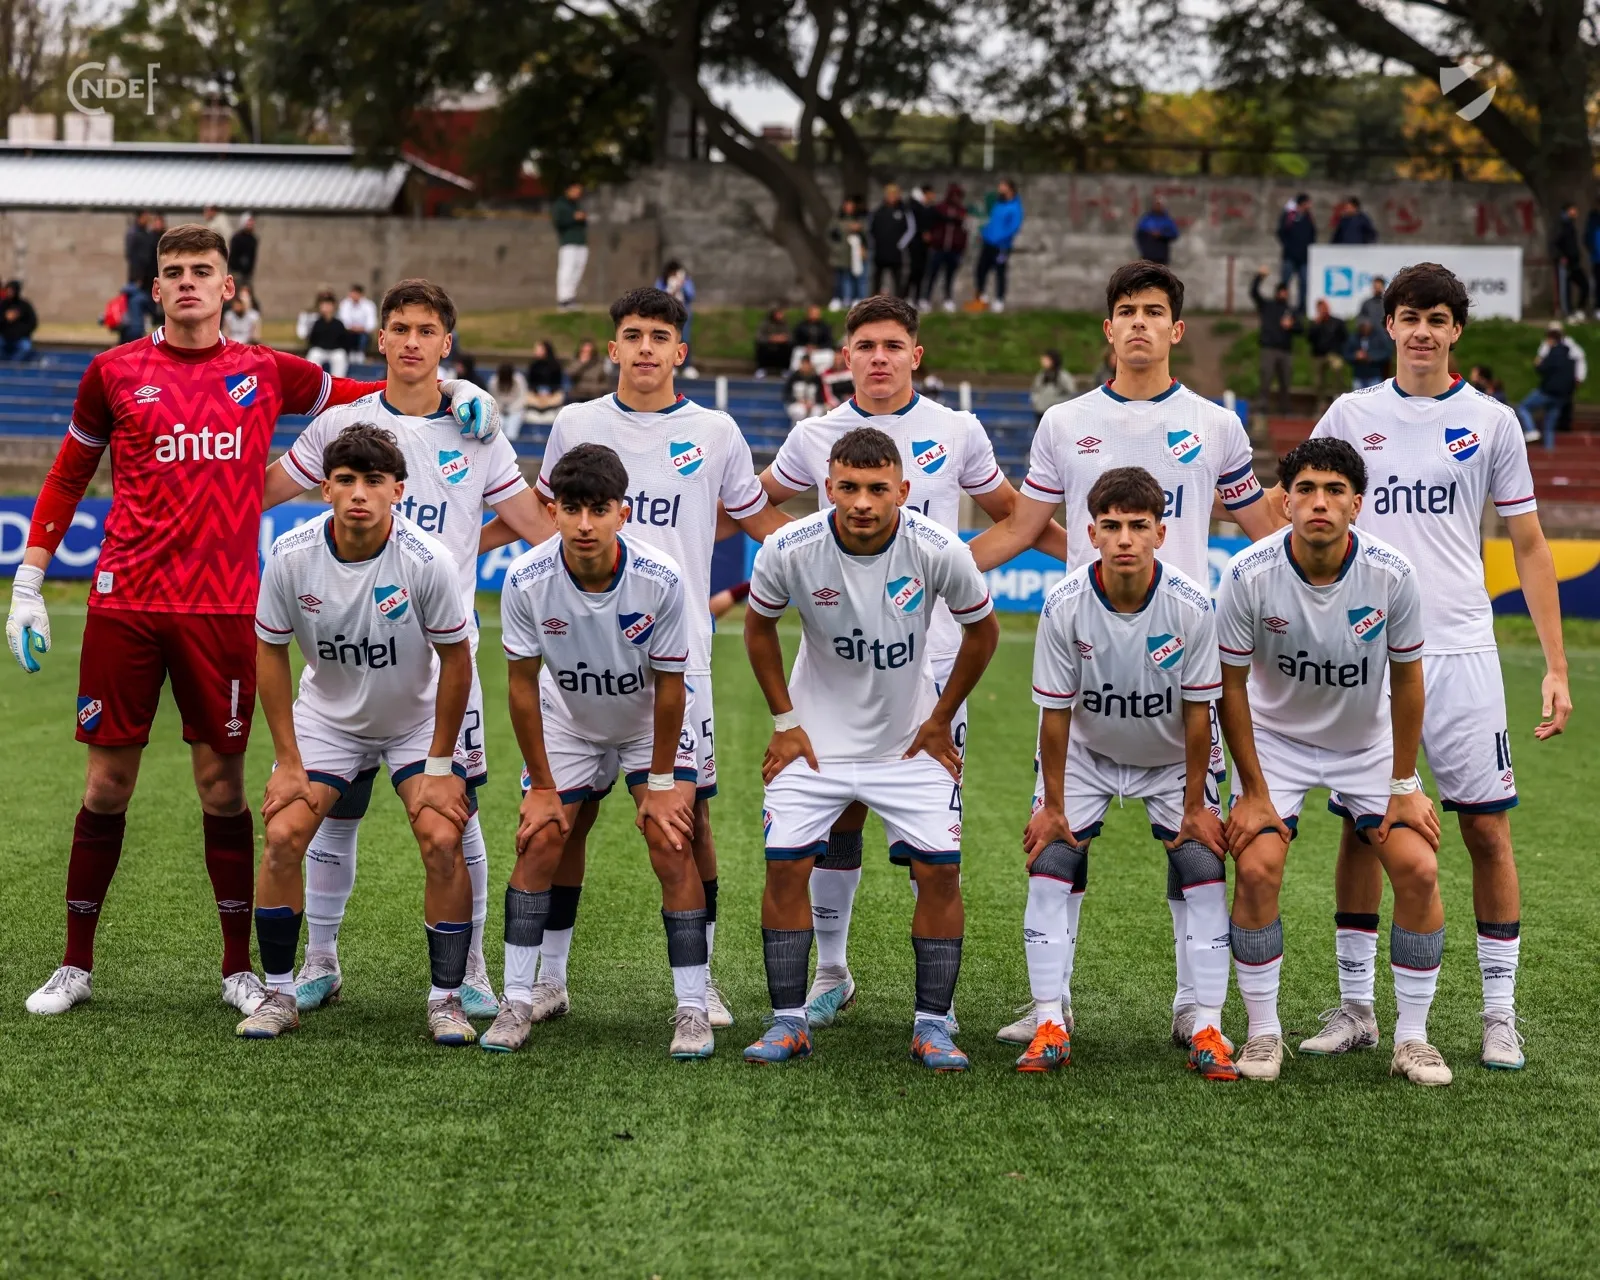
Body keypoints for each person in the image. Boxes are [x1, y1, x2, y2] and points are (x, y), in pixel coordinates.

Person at [10, 223, 498, 1019]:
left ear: (228, 287)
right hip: (126, 602)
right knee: (106, 785)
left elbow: (372, 392)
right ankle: (74, 964)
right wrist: (30, 582)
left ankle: (241, 968)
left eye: (203, 270)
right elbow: (68, 474)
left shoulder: (267, 371)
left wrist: (455, 391)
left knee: (222, 787)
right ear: (156, 288)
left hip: (224, 608)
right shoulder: (112, 372)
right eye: (174, 271)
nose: (188, 282)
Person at [969, 259, 1282, 1049]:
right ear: (1108, 329)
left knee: (1193, 846)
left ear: (1176, 329)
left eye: (1154, 311)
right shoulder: (1063, 422)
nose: (1140, 322)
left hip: (1183, 662)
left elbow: (1263, 530)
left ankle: (1193, 1004)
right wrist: (939, 568)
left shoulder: (1216, 425)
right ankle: (1052, 1005)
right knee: (1059, 842)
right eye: (1127, 311)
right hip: (1086, 659)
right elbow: (1020, 528)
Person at [476, 287, 790, 1030]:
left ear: (680, 351)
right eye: (633, 334)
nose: (646, 347)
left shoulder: (714, 430)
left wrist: (835, 554)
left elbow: (756, 519)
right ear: (613, 347)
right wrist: (461, 548)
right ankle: (549, 980)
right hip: (579, 654)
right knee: (568, 822)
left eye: (659, 336)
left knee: (688, 823)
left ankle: (701, 983)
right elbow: (543, 510)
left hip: (676, 659)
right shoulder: (577, 423)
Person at [758, 293, 1067, 1029]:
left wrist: (969, 567)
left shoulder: (957, 430)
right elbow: (748, 503)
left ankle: (935, 1009)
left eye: (892, 345)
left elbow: (1014, 514)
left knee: (930, 838)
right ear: (846, 356)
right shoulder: (814, 435)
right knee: (838, 820)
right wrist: (801, 560)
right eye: (865, 345)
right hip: (841, 655)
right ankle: (831, 972)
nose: (879, 358)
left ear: (915, 355)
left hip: (934, 661)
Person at [262, 280, 549, 1020]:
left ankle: (470, 968)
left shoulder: (477, 429)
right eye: (400, 328)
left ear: (446, 343)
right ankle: (319, 961)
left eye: (427, 330)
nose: (412, 341)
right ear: (380, 338)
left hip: (438, 665)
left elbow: (534, 524)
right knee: (332, 816)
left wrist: (466, 545)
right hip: (343, 663)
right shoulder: (343, 424)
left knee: (456, 818)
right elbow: (262, 492)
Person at [1308, 261, 1571, 1071]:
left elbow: (1529, 545)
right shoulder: (1351, 414)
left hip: (1461, 650)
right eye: (1409, 317)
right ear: (1388, 325)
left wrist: (1555, 666)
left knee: (1486, 828)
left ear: (1457, 329)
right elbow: (1308, 514)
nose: (1422, 331)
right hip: (1366, 653)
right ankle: (1357, 1009)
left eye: (1437, 319)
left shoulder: (1491, 422)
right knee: (1363, 828)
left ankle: (1499, 1014)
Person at [741, 427, 1000, 1069]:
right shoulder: (789, 547)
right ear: (828, 487)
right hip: (815, 744)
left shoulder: (938, 548)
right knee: (785, 867)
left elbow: (983, 632)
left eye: (877, 489)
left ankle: (933, 1025)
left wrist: (940, 719)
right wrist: (784, 721)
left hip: (907, 745)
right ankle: (788, 1020)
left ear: (903, 491)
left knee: (940, 872)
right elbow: (758, 625)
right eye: (849, 487)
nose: (862, 502)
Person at [1215, 436, 1447, 1085]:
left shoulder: (1392, 574)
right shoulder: (1247, 573)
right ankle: (1263, 1033)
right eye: (1307, 490)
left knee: (1419, 869)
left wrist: (1404, 782)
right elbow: (1230, 687)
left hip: (1366, 745)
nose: (1320, 502)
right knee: (1256, 868)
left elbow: (1408, 680)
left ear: (1356, 504)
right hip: (1276, 744)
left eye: (1335, 491)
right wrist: (1253, 791)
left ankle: (1412, 1038)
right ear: (1286, 502)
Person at [238, 423, 476, 1043]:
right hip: (329, 721)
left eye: (374, 481)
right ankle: (280, 994)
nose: (359, 493)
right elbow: (269, 652)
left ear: (398, 490)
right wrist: (288, 760)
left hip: (414, 723)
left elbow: (457, 661)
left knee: (442, 838)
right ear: (326, 490)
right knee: (282, 835)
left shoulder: (427, 560)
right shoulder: (291, 555)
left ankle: (446, 999)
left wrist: (441, 765)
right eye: (345, 480)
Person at [485, 443, 711, 1058]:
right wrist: (542, 786)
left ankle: (692, 1007)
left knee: (672, 840)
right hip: (569, 722)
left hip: (646, 723)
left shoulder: (660, 578)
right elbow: (521, 686)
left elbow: (671, 686)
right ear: (552, 510)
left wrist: (660, 782)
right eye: (572, 509)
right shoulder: (526, 579)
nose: (585, 524)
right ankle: (522, 997)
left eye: (599, 510)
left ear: (623, 512)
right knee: (541, 839)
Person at [1020, 465, 1233, 1079]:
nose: (1124, 539)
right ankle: (1048, 1022)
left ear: (1161, 533)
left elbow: (1199, 713)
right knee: (1050, 865)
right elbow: (1054, 714)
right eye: (1110, 526)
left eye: (1139, 526)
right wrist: (1053, 806)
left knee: (1203, 870)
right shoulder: (1064, 604)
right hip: (1086, 755)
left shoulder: (1191, 606)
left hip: (1171, 760)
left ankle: (1207, 1024)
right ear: (1090, 533)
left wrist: (1195, 808)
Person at [1251, 266, 1300, 416]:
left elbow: (1300, 329)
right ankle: (1262, 408)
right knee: (1266, 379)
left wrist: (1291, 325)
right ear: (1277, 293)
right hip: (1269, 349)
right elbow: (1254, 293)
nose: (1283, 294)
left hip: (1285, 350)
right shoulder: (1268, 306)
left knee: (1285, 381)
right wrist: (1259, 277)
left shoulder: (1290, 310)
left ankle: (1285, 409)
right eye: (1281, 291)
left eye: (1285, 292)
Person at [1518, 323, 1577, 444]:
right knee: (1549, 426)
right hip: (1562, 396)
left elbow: (1543, 369)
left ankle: (1531, 430)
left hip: (1548, 391)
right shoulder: (1569, 354)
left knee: (1523, 407)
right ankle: (1549, 451)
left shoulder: (1553, 352)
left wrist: (1538, 363)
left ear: (1551, 339)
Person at [974, 179, 1023, 313]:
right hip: (988, 243)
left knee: (1000, 272)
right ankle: (982, 297)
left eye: (1003, 185)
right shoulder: (998, 203)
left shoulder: (1015, 207)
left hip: (1002, 246)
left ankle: (999, 300)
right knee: (980, 269)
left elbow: (1013, 228)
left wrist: (999, 238)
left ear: (1010, 188)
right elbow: (992, 222)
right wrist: (985, 233)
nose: (999, 187)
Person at [924, 183, 969, 312]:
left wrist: (962, 248)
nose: (955, 198)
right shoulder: (939, 208)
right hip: (939, 248)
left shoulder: (962, 211)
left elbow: (965, 231)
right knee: (932, 274)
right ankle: (926, 298)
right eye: (953, 195)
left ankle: (948, 299)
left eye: (958, 196)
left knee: (950, 276)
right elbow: (930, 225)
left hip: (954, 250)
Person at [869, 183, 915, 297]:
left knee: (898, 278)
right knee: (877, 278)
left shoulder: (904, 211)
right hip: (880, 251)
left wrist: (901, 244)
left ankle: (900, 300)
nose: (892, 197)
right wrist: (875, 243)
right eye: (890, 194)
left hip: (896, 252)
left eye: (894, 194)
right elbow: (871, 230)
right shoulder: (878, 211)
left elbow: (911, 229)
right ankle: (875, 300)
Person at [656, 260, 698, 377]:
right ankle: (670, 365)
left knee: (685, 339)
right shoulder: (662, 281)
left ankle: (687, 366)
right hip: (668, 314)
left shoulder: (685, 280)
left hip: (684, 314)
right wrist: (670, 288)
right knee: (669, 338)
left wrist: (681, 285)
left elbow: (691, 295)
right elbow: (657, 294)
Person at [1307, 299, 1349, 416]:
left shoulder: (1337, 322)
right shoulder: (1315, 323)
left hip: (1333, 354)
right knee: (1318, 381)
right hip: (1318, 355)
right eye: (1320, 309)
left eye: (1324, 308)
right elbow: (1309, 338)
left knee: (1337, 371)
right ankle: (1320, 404)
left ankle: (1339, 399)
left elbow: (1344, 337)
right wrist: (1316, 325)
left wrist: (1339, 350)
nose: (1323, 311)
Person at [1276, 192, 1315, 313]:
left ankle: (1302, 308)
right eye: (1308, 202)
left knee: (1304, 283)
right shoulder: (1290, 216)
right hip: (1290, 256)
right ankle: (1281, 306)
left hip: (1304, 257)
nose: (1310, 205)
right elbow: (1281, 232)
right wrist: (1289, 246)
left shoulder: (1308, 217)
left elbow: (1312, 234)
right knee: (1285, 282)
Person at [552, 182, 589, 309]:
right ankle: (563, 299)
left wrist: (582, 218)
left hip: (581, 242)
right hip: (568, 242)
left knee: (578, 270)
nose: (577, 193)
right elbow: (558, 221)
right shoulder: (561, 204)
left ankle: (571, 297)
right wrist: (574, 218)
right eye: (575, 190)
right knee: (567, 270)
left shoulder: (577, 205)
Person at [828, 196, 868, 310]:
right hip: (840, 255)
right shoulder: (837, 220)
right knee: (841, 278)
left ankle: (856, 298)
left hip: (855, 255)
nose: (849, 208)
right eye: (847, 205)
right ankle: (840, 299)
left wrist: (860, 229)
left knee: (856, 277)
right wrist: (836, 248)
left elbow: (866, 237)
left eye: (852, 206)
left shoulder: (860, 220)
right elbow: (830, 236)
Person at [1552, 201, 1588, 321]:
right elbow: (1554, 244)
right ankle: (1568, 313)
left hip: (1574, 262)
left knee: (1585, 285)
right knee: (1565, 289)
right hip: (1565, 263)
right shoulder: (1560, 226)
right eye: (1573, 210)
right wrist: (1561, 256)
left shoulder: (1571, 225)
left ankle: (1579, 310)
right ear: (1567, 211)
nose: (1575, 212)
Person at [304, 295, 350, 378]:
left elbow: (345, 341)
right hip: (320, 350)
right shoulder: (317, 323)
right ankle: (315, 382)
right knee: (314, 355)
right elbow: (312, 340)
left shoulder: (339, 324)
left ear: (333, 307)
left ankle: (337, 382)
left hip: (335, 351)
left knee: (340, 357)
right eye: (324, 305)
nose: (326, 308)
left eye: (328, 305)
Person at [525, 340, 567, 422]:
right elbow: (530, 384)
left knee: (559, 397)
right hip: (536, 396)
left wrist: (548, 394)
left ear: (546, 350)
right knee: (527, 398)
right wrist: (537, 393)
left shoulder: (556, 366)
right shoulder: (533, 366)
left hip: (551, 396)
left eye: (538, 349)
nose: (535, 351)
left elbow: (557, 384)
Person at [109, 275, 157, 345]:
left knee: (123, 349)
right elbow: (151, 311)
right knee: (136, 349)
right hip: (137, 328)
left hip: (124, 328)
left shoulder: (123, 295)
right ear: (138, 282)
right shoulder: (141, 296)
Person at [1345, 317, 1391, 390]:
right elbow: (1346, 354)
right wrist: (1355, 356)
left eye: (1366, 325)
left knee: (1376, 396)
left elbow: (1387, 353)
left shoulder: (1379, 337)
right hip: (1358, 376)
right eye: (1362, 326)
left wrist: (1371, 357)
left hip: (1375, 375)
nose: (1364, 328)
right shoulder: (1353, 337)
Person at [1030, 350, 1076, 421]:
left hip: (1057, 413)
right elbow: (1035, 390)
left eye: (1046, 359)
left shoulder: (1063, 375)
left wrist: (1056, 403)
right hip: (1041, 411)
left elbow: (1071, 392)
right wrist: (1036, 401)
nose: (1042, 361)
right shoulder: (1041, 375)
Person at [904, 185, 931, 306]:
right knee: (914, 271)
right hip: (914, 244)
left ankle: (916, 297)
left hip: (922, 246)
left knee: (920, 272)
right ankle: (907, 296)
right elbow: (913, 227)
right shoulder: (914, 207)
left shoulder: (923, 207)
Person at [0, 279, 38, 361]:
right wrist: (5, 318)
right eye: (8, 290)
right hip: (4, 337)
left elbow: (32, 323)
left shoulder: (25, 306)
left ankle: (14, 364)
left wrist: (21, 333)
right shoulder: (2, 305)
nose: (9, 293)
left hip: (20, 338)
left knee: (25, 347)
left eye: (11, 290)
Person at [1134, 196, 1180, 264]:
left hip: (1162, 256)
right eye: (1156, 204)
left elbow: (1174, 234)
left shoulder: (1167, 219)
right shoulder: (1146, 218)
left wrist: (1161, 234)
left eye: (1159, 205)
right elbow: (1139, 233)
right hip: (1147, 256)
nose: (1158, 207)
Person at [337, 283, 379, 357]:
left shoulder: (369, 305)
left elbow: (372, 323)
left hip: (363, 333)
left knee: (363, 338)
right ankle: (347, 355)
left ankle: (360, 354)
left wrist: (362, 328)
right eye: (352, 293)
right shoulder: (345, 304)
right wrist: (351, 327)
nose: (353, 295)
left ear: (361, 294)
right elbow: (343, 320)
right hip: (348, 332)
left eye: (356, 293)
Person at [790, 303, 834, 371]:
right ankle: (796, 373)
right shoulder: (800, 326)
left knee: (830, 354)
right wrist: (806, 346)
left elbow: (829, 341)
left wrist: (817, 347)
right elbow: (795, 340)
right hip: (804, 349)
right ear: (808, 313)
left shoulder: (825, 326)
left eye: (817, 313)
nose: (814, 315)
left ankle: (822, 374)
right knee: (797, 352)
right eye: (813, 313)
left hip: (819, 350)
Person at [492, 362, 529, 441]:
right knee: (499, 429)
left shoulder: (519, 380)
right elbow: (492, 399)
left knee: (511, 433)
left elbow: (523, 398)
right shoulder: (494, 381)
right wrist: (501, 408)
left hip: (516, 410)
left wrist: (511, 409)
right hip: (499, 410)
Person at [753, 306, 794, 376]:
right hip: (768, 345)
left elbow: (790, 336)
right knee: (761, 347)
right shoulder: (765, 324)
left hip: (781, 346)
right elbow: (758, 337)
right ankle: (761, 368)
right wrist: (771, 338)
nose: (781, 315)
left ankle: (785, 369)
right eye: (779, 314)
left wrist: (783, 338)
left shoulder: (785, 324)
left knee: (789, 347)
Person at [783, 352, 823, 422]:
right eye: (804, 364)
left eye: (808, 364)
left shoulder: (816, 378)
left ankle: (812, 429)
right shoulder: (793, 377)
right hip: (796, 403)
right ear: (800, 364)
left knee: (817, 412)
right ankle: (797, 427)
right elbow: (786, 394)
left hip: (813, 403)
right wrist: (798, 401)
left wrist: (812, 403)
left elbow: (821, 394)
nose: (806, 366)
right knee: (800, 411)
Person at [125, 211, 158, 293]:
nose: (147, 220)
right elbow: (131, 256)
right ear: (139, 218)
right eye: (145, 217)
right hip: (138, 276)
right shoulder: (134, 233)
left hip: (146, 275)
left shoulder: (145, 233)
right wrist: (138, 276)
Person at [228, 214, 258, 291]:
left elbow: (252, 257)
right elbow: (233, 255)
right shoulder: (237, 238)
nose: (250, 224)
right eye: (248, 222)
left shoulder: (253, 239)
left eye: (251, 222)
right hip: (236, 272)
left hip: (247, 274)